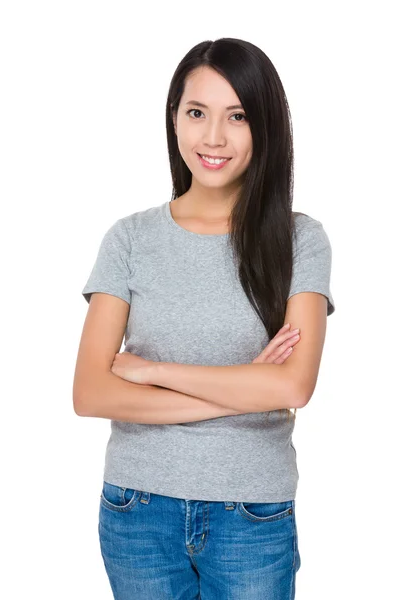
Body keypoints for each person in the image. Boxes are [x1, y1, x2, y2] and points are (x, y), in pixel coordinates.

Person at [74, 37, 335, 600]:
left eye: (237, 116)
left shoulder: (299, 240)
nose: (212, 137)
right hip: (137, 509)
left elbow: (293, 384)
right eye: (197, 113)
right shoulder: (129, 240)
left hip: (253, 514)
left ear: (265, 127)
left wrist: (153, 371)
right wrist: (245, 388)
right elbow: (90, 393)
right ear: (175, 120)